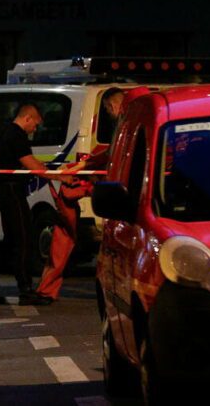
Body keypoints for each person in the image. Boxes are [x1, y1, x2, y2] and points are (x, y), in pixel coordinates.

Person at [36, 87, 128, 301]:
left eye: (106, 109)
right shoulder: (130, 125)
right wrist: (81, 166)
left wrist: (78, 170)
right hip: (116, 191)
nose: (108, 114)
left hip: (116, 193)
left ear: (113, 106)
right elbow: (109, 155)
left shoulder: (124, 126)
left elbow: (111, 157)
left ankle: (48, 288)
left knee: (68, 221)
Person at [0, 104, 70, 306]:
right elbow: (31, 164)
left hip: (6, 191)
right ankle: (25, 289)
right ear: (27, 118)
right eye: (35, 124)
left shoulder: (6, 132)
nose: (35, 129)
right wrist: (60, 177)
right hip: (11, 191)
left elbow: (30, 162)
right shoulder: (16, 135)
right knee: (24, 239)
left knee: (11, 239)